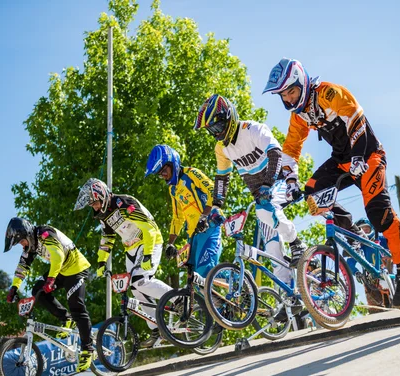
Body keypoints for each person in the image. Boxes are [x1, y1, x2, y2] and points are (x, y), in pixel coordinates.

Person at [263, 58, 400, 306]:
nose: (289, 99)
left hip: (369, 155)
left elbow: (356, 119)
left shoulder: (329, 93)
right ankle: (353, 232)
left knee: (379, 213)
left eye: (291, 91)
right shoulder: (300, 116)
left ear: (302, 83)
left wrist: (358, 157)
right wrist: (291, 182)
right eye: (284, 96)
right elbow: (291, 150)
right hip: (341, 161)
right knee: (312, 194)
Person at [194, 94, 307, 320]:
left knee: (265, 210)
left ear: (229, 117)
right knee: (273, 249)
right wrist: (216, 208)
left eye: (217, 125)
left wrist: (267, 184)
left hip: (280, 183)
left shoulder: (253, 129)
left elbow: (276, 154)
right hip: (262, 198)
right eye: (211, 129)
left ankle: (297, 243)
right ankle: (290, 299)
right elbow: (222, 180)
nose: (216, 132)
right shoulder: (222, 149)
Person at [74, 178, 172, 348]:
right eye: (91, 205)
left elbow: (148, 228)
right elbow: (107, 238)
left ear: (103, 196)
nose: (94, 207)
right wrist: (101, 262)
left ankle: (177, 298)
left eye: (95, 203)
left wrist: (148, 254)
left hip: (150, 240)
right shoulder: (103, 215)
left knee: (141, 280)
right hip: (131, 249)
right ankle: (157, 329)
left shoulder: (124, 203)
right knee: (136, 289)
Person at [4, 217, 94, 372]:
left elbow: (58, 256)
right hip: (60, 271)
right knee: (37, 290)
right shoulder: (30, 246)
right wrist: (13, 288)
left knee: (77, 307)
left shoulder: (45, 233)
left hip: (76, 269)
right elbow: (22, 268)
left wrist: (51, 279)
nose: (22, 245)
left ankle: (88, 350)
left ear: (27, 233)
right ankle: (66, 318)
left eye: (21, 241)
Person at [145, 145, 222, 281]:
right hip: (192, 234)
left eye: (163, 170)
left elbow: (213, 191)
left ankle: (238, 281)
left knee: (204, 271)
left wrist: (204, 216)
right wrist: (170, 243)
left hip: (209, 226)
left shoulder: (192, 174)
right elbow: (177, 217)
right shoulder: (173, 190)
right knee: (192, 279)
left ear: (173, 163)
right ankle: (207, 302)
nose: (163, 176)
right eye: (159, 174)